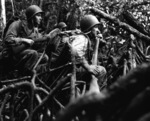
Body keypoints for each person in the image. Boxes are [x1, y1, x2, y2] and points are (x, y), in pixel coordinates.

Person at [2, 5, 49, 75]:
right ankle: (23, 77)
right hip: (11, 55)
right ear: (32, 17)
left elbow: (39, 40)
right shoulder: (17, 24)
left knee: (45, 57)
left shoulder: (34, 30)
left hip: (24, 55)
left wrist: (47, 39)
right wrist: (23, 40)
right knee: (33, 54)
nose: (41, 18)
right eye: (38, 16)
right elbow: (8, 39)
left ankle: (34, 75)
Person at [70, 14, 107, 93]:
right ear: (89, 29)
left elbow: (93, 61)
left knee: (98, 69)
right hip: (73, 70)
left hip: (76, 69)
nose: (98, 30)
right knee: (102, 71)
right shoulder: (82, 38)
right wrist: (88, 67)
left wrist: (97, 42)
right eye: (95, 27)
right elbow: (74, 50)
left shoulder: (87, 39)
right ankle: (95, 97)